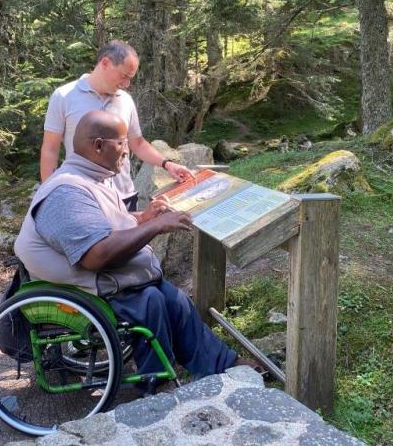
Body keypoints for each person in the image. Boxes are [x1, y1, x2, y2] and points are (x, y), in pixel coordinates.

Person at [16, 110, 240, 380]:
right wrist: (154, 226)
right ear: (98, 145)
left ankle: (222, 366)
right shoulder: (66, 192)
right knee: (151, 300)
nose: (127, 150)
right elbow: (95, 255)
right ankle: (155, 382)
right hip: (81, 288)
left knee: (174, 298)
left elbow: (105, 224)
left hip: (102, 279)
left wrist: (143, 217)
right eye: (121, 143)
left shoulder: (91, 178)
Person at [40, 39, 193, 211]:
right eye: (124, 76)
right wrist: (49, 195)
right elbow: (50, 150)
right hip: (84, 199)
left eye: (130, 78)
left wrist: (168, 164)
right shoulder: (64, 96)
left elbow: (138, 144)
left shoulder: (125, 100)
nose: (127, 84)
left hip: (125, 198)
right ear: (105, 63)